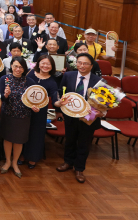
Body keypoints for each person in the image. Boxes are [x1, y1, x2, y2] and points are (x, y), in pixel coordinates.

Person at [55, 53, 106, 183]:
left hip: (89, 117)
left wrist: (102, 113)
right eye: (79, 62)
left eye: (85, 63)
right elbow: (61, 92)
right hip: (70, 115)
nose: (81, 66)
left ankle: (79, 169)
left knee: (84, 143)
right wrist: (60, 105)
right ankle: (68, 162)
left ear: (91, 65)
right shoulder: (68, 75)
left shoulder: (98, 81)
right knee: (70, 140)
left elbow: (103, 103)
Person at [0, 57, 35, 178]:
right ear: (11, 66)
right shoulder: (4, 79)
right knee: (8, 139)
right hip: (8, 114)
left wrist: (35, 106)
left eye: (20, 67)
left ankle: (15, 163)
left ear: (24, 68)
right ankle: (8, 161)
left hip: (24, 115)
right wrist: (5, 95)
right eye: (15, 66)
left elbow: (33, 99)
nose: (17, 69)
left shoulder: (29, 81)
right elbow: (1, 99)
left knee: (19, 140)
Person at [21, 55, 59, 168]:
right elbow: (23, 89)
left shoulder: (52, 82)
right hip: (25, 108)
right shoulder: (30, 73)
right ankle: (21, 155)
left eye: (48, 64)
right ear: (38, 63)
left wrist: (60, 103)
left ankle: (33, 158)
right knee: (23, 133)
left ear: (52, 66)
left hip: (40, 112)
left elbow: (55, 100)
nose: (45, 66)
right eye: (43, 63)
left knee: (36, 135)